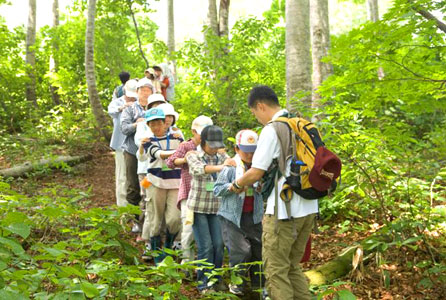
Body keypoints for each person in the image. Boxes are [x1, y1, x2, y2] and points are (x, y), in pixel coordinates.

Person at [229, 85, 318, 300]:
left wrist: (236, 185)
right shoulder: (302, 124)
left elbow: (256, 172)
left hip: (283, 212)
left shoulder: (272, 130)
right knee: (291, 266)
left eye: (254, 113)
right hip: (309, 207)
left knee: (276, 271)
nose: (257, 118)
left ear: (260, 106)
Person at [214, 129, 264, 296]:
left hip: (254, 216)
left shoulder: (259, 167)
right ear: (236, 149)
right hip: (232, 218)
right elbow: (217, 189)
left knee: (258, 250)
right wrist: (232, 187)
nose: (249, 155)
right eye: (246, 151)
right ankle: (236, 284)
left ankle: (258, 285)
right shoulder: (231, 167)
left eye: (253, 151)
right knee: (241, 251)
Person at [185, 125, 235, 294]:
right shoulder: (192, 154)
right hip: (198, 208)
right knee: (205, 246)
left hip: (216, 208)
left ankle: (216, 279)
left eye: (217, 145)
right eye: (211, 145)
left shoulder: (222, 155)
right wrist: (223, 167)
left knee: (219, 245)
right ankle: (204, 284)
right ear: (204, 142)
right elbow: (199, 169)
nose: (214, 148)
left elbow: (233, 166)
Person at [166, 116, 213, 267]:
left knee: (208, 233)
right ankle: (187, 264)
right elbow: (170, 162)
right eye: (202, 133)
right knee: (188, 230)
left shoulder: (213, 146)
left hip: (208, 196)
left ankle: (205, 265)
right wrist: (186, 159)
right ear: (194, 131)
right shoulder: (186, 146)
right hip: (189, 193)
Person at [137, 107, 183, 265]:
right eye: (152, 124)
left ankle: (169, 248)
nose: (156, 127)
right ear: (149, 126)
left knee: (174, 219)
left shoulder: (178, 138)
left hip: (176, 183)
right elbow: (158, 154)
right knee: (155, 219)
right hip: (155, 182)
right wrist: (179, 152)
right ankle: (157, 253)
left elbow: (190, 150)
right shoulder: (148, 141)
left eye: (159, 123)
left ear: (165, 123)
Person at [120, 78, 155, 232]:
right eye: (142, 90)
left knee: (148, 186)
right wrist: (138, 123)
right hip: (132, 151)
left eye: (148, 90)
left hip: (151, 154)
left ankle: (149, 220)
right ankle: (135, 221)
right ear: (137, 92)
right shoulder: (130, 109)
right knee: (133, 186)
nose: (145, 93)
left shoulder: (156, 109)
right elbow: (124, 129)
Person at [107, 79, 138, 207]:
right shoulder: (116, 103)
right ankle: (122, 207)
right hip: (120, 145)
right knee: (122, 176)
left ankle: (136, 206)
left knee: (135, 177)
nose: (131, 98)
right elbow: (112, 112)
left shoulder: (139, 104)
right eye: (129, 95)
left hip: (135, 146)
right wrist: (122, 108)